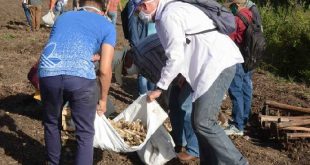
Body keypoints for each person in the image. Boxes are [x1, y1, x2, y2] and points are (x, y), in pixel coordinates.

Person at [131, 0, 248, 164]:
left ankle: (238, 163)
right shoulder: (169, 12)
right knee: (199, 122)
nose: (141, 11)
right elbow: (185, 46)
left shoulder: (169, 16)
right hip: (209, 65)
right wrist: (181, 76)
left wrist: (159, 88)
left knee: (203, 122)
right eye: (138, 8)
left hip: (216, 64)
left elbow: (175, 56)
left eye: (142, 6)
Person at [38, 0, 116, 164]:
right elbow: (104, 70)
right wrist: (102, 99)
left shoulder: (63, 17)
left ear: (80, 4)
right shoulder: (107, 25)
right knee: (85, 132)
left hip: (48, 72)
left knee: (51, 122)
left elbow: (57, 45)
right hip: (80, 78)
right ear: (102, 10)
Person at [224, 0, 256, 136]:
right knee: (245, 89)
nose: (230, 8)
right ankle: (244, 119)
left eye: (231, 5)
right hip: (250, 58)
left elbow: (229, 39)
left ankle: (237, 125)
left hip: (238, 58)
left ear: (236, 5)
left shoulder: (237, 19)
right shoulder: (250, 14)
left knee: (235, 91)